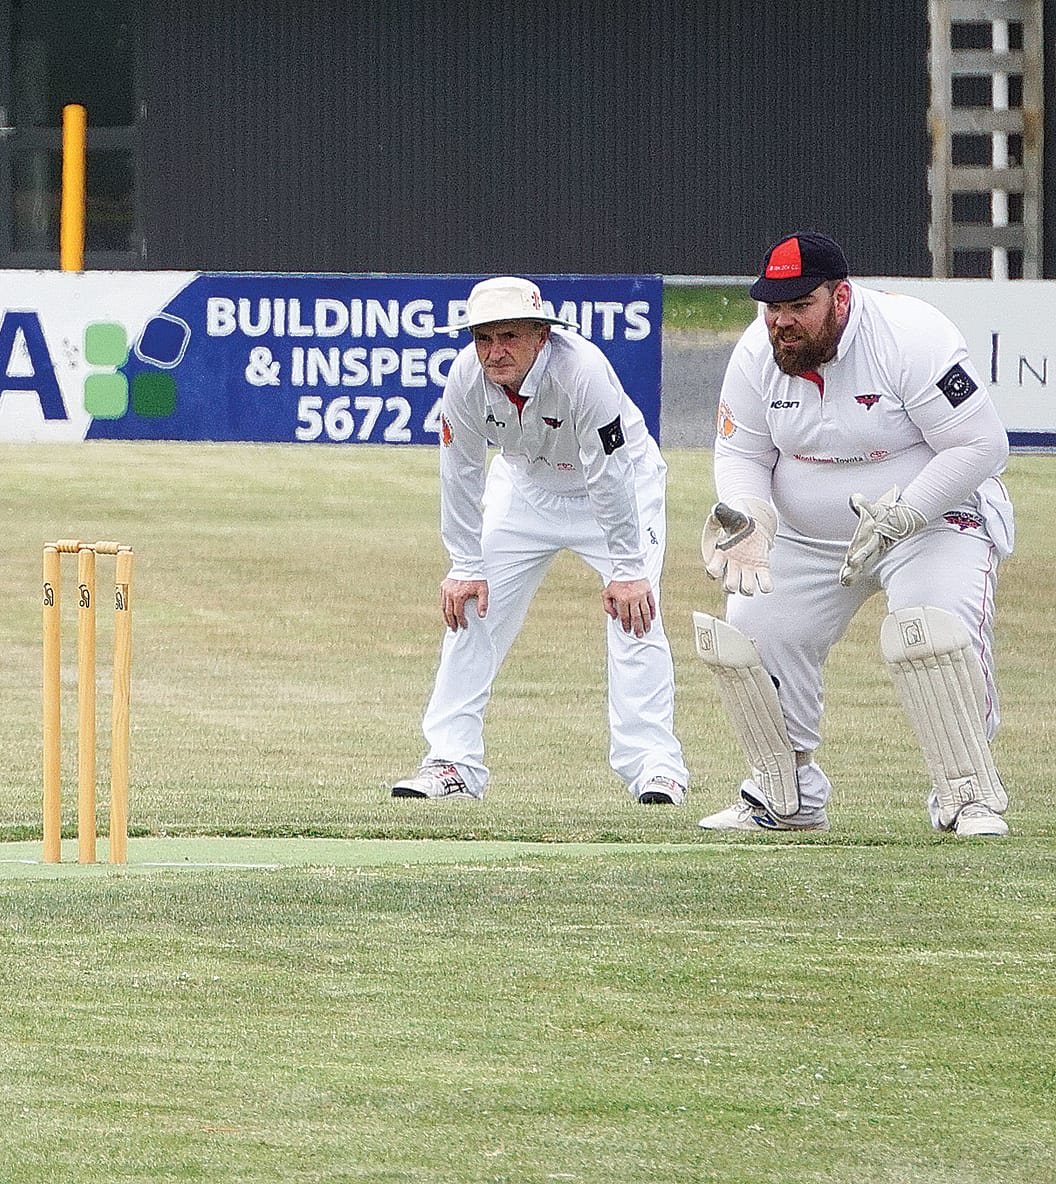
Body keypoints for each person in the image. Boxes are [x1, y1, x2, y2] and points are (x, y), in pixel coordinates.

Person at [694, 232, 1013, 837]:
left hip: (928, 521)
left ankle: (967, 793)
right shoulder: (756, 354)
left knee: (932, 632)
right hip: (808, 535)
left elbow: (981, 445)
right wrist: (750, 516)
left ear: (840, 297)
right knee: (753, 629)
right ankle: (783, 796)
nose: (782, 323)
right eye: (773, 307)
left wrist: (907, 513)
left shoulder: (910, 336)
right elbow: (741, 453)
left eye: (800, 306)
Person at [389, 276, 688, 805]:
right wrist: (464, 563)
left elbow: (611, 472)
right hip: (526, 488)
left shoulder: (582, 371)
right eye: (484, 338)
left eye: (509, 336)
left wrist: (627, 567)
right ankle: (452, 762)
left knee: (636, 614)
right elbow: (459, 470)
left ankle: (655, 768)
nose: (495, 352)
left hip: (617, 490)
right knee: (472, 608)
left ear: (541, 335)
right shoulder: (465, 377)